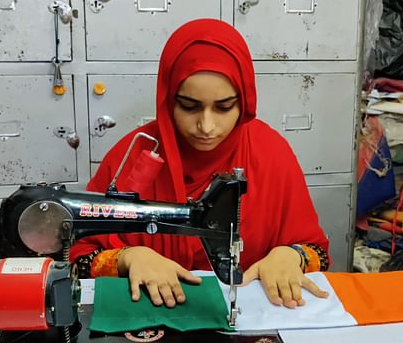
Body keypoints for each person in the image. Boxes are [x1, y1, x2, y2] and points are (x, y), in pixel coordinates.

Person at [70, 18, 330, 309]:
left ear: (244, 102)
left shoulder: (271, 154)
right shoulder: (133, 155)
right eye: (189, 106)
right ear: (168, 99)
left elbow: (316, 250)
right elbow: (79, 255)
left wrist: (290, 255)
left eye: (224, 107)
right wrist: (127, 259)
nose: (206, 126)